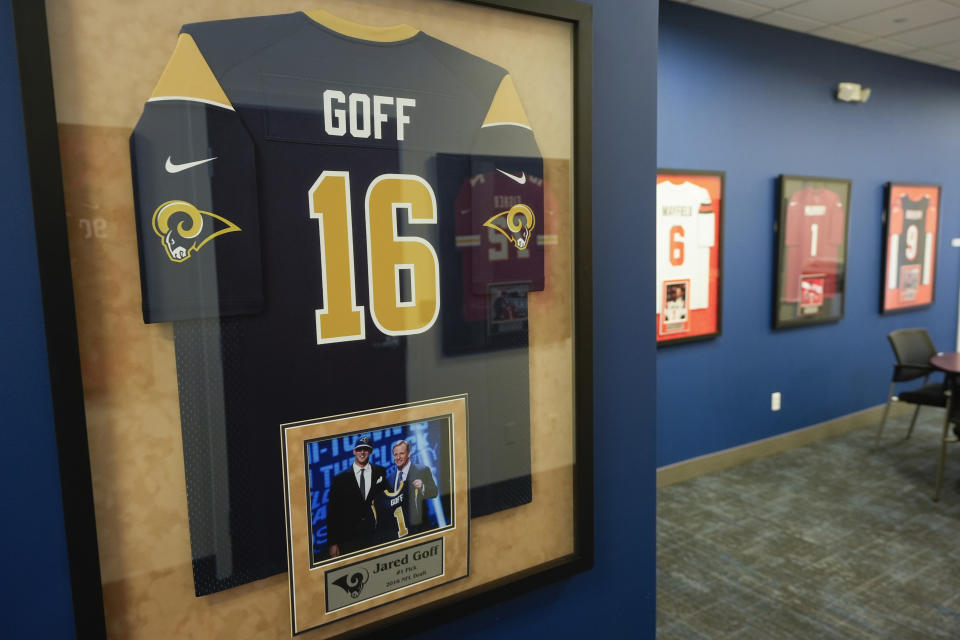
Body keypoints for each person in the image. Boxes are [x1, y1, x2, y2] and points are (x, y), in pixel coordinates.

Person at [327, 436, 387, 557]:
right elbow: (333, 512)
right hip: (349, 537)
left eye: (366, 449)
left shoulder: (380, 471)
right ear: (354, 451)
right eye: (359, 449)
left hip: (375, 534)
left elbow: (386, 498)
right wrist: (333, 543)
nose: (362, 452)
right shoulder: (340, 479)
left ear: (370, 451)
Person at [383, 439, 439, 538]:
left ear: (409, 454)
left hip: (422, 530)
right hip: (401, 534)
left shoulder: (422, 470)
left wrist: (423, 487)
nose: (398, 457)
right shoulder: (390, 479)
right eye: (395, 455)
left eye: (401, 453)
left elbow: (434, 492)